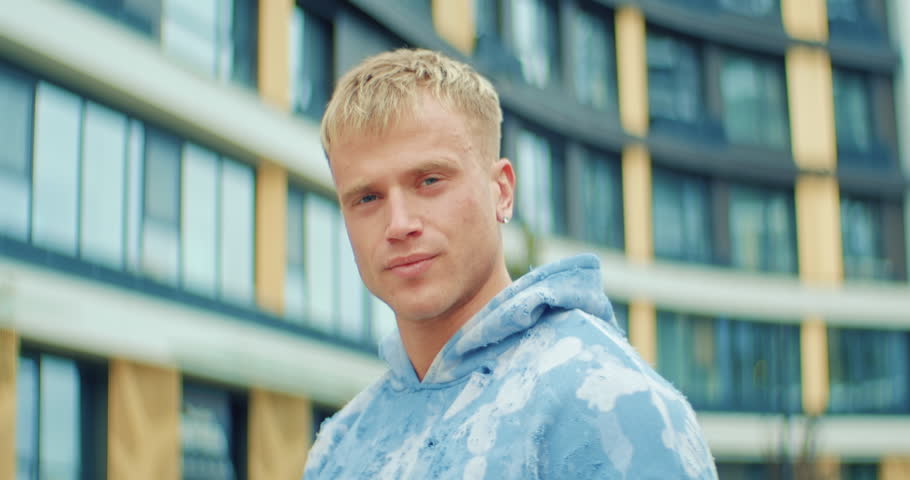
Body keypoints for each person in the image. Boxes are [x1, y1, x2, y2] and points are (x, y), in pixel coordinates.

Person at [304, 48, 717, 479]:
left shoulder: (606, 401)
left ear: (501, 191)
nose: (399, 224)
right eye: (367, 198)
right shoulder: (341, 445)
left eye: (429, 181)